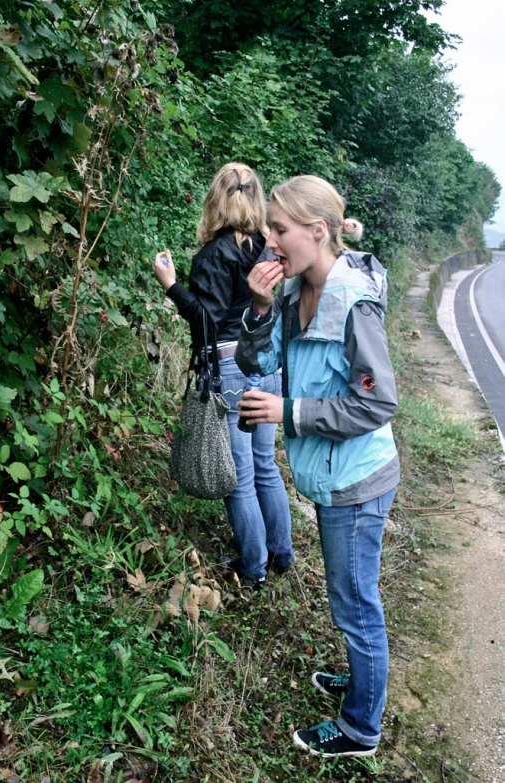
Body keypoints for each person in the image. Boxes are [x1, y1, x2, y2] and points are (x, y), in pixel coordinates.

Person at [235, 174, 400, 757]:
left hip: (358, 479)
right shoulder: (292, 292)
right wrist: (258, 305)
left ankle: (361, 728)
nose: (270, 242)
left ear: (318, 231)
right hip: (333, 475)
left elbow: (379, 402)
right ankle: (362, 679)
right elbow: (258, 360)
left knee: (354, 604)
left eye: (279, 230)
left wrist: (290, 412)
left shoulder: (353, 305)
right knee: (349, 597)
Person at [153, 162, 294, 597]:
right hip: (269, 365)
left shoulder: (213, 256)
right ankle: (281, 554)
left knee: (240, 477)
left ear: (215, 199)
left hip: (231, 369)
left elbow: (207, 325)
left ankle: (253, 568)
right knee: (266, 467)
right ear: (256, 199)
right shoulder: (270, 250)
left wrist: (172, 285)